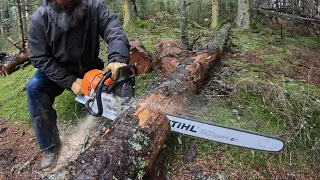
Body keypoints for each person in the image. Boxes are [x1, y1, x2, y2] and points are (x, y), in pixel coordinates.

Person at [26, 0, 133, 171]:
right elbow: (39, 57)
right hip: (57, 71)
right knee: (34, 88)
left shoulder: (95, 6)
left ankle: (127, 120)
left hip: (89, 66)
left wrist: (118, 58)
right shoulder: (40, 18)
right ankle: (50, 145)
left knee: (121, 76)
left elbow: (114, 30)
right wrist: (69, 81)